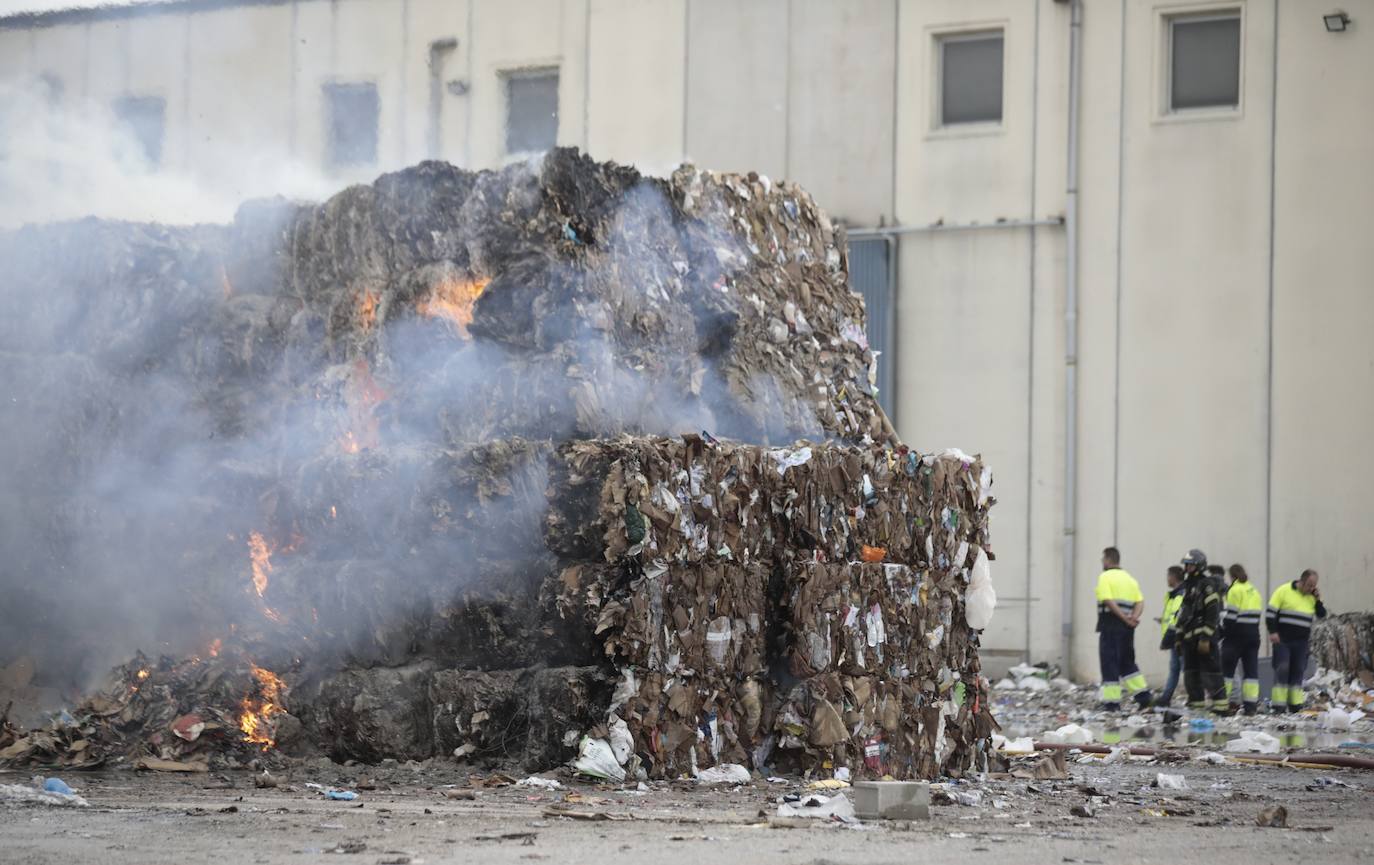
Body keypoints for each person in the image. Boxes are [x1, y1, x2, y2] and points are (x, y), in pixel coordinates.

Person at [1094, 547, 1153, 711]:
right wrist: (1133, 618)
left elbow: (1108, 600)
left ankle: (1112, 703)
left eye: (1102, 560)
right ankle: (1144, 697)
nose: (1102, 563)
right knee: (1127, 663)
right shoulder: (1130, 579)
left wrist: (1123, 617)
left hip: (1110, 626)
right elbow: (1140, 602)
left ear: (1107, 560)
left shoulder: (1105, 577)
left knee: (1109, 663)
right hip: (1127, 629)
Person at [1266, 569, 1328, 713]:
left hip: (1301, 642)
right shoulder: (1283, 590)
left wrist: (1318, 600)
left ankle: (1295, 705)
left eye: (1314, 586)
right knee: (1282, 668)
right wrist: (1273, 632)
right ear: (1302, 580)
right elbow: (1270, 613)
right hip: (1283, 639)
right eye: (1309, 585)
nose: (1311, 588)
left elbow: (1322, 615)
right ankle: (1279, 705)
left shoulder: (1311, 597)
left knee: (1298, 671)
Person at [1176, 549, 1227, 712]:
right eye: (1186, 565)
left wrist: (1205, 638)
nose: (1187, 568)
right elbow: (1183, 613)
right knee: (1191, 674)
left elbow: (1212, 612)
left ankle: (1221, 707)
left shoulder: (1207, 585)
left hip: (1204, 640)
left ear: (1199, 566)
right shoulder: (1188, 586)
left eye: (1190, 565)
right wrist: (1178, 637)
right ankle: (1196, 705)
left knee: (1211, 674)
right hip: (1189, 640)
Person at [1219, 563, 1262, 715]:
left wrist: (1223, 631)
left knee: (1227, 672)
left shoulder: (1234, 590)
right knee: (1251, 673)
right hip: (1253, 635)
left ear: (1231, 576)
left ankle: (1223, 704)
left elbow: (1231, 617)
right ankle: (1251, 706)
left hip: (1236, 636)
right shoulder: (1254, 590)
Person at [1154, 565, 1186, 707]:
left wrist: (1167, 638)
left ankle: (1197, 698)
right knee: (1175, 668)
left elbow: (1178, 619)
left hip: (1180, 638)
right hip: (1174, 638)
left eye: (1168, 576)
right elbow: (1172, 617)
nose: (1167, 579)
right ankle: (1166, 697)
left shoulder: (1180, 595)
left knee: (1186, 668)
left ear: (1173, 577)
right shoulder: (1174, 595)